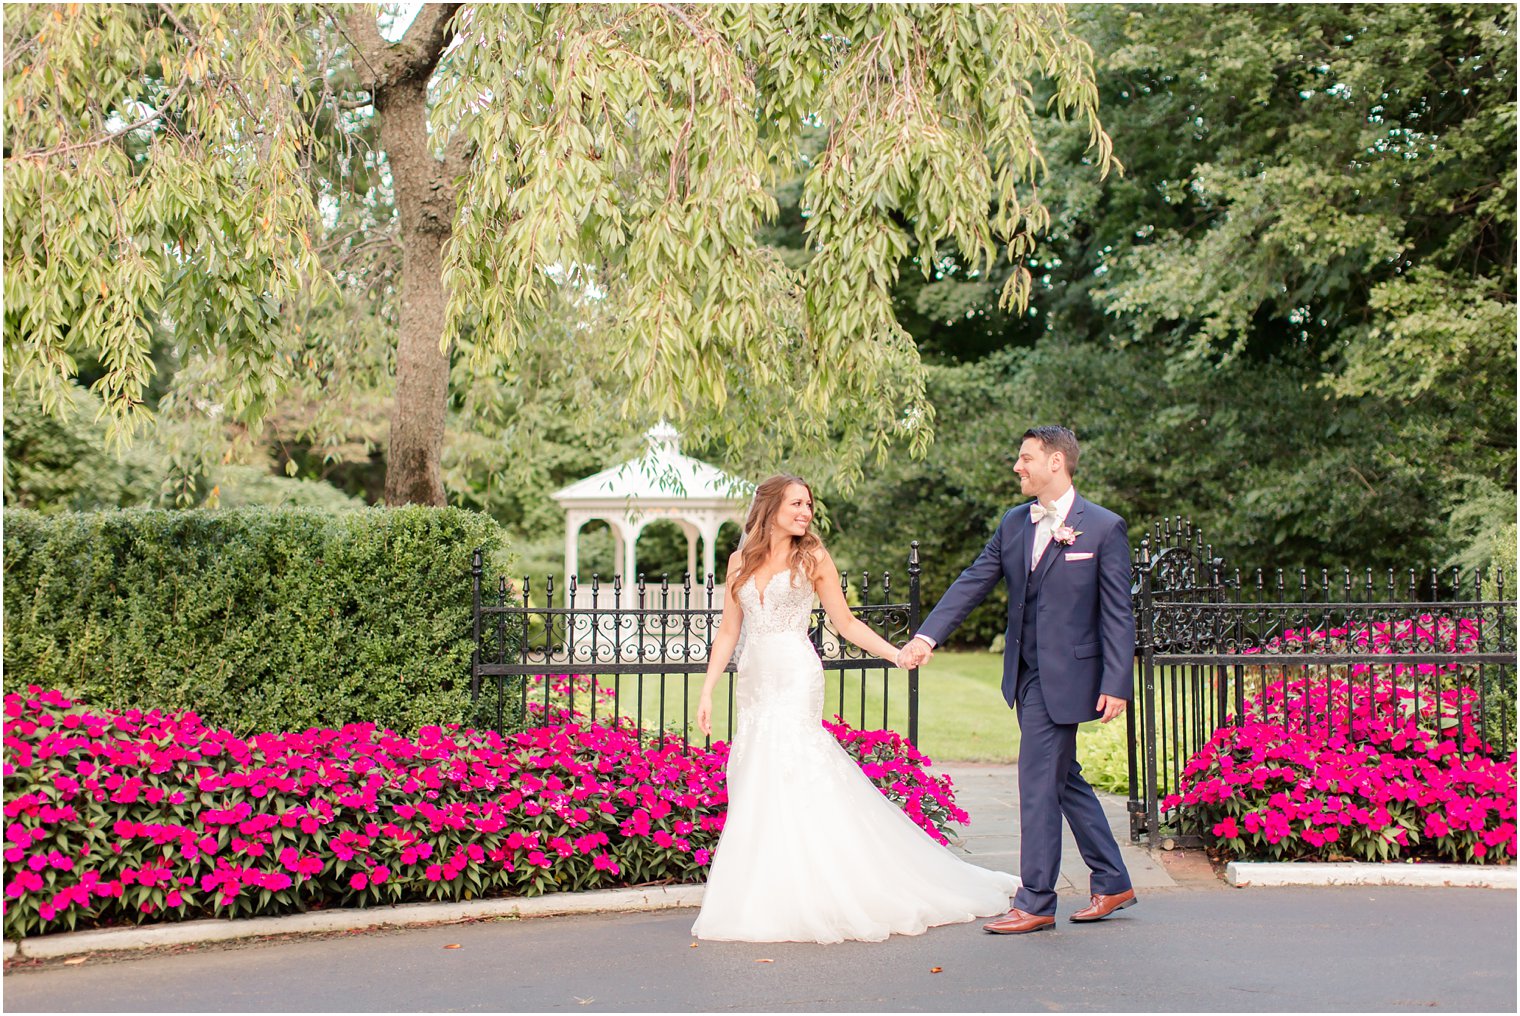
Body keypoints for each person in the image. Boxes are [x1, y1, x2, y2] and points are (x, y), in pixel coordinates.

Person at [691, 474, 1018, 943]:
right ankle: (770, 890)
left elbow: (844, 623)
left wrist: (896, 653)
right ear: (770, 507)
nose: (806, 512)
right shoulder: (740, 560)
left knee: (795, 766)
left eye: (808, 504)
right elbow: (728, 632)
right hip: (755, 679)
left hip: (796, 674)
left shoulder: (813, 557)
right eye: (797, 504)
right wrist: (707, 690)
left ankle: (826, 886)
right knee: (756, 770)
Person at [898, 425, 1136, 934]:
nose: (1017, 466)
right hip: (1025, 674)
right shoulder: (1014, 523)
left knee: (1036, 782)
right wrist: (927, 638)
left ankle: (1036, 901)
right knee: (1061, 779)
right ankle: (1112, 879)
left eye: (1025, 457)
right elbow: (973, 581)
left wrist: (1117, 681)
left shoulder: (1103, 527)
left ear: (1056, 462)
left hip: (1071, 675)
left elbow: (1118, 613)